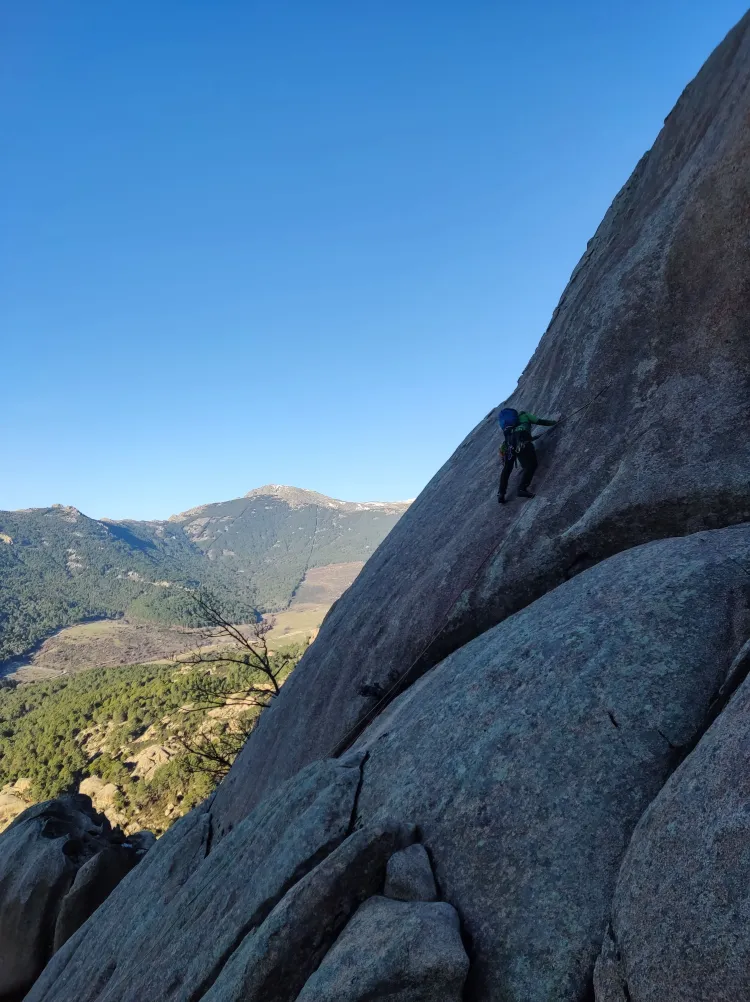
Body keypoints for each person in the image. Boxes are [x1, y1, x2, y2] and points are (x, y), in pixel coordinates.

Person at [497, 407, 557, 503]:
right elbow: (539, 421)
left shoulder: (508, 425)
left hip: (508, 445)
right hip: (522, 441)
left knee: (507, 469)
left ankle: (501, 493)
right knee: (531, 465)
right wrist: (554, 422)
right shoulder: (524, 415)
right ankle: (522, 489)